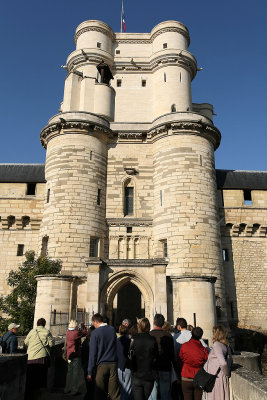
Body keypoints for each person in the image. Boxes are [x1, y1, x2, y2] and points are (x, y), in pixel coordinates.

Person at [87, 313, 120, 400]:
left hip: (102, 365)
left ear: (95, 321)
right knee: (114, 393)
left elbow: (93, 353)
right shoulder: (112, 329)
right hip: (113, 364)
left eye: (93, 323)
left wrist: (90, 371)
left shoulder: (95, 333)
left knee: (99, 392)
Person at [24, 318, 54, 399]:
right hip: (41, 358)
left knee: (30, 379)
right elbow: (51, 344)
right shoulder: (46, 332)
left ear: (37, 324)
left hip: (30, 357)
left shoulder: (32, 331)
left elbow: (26, 342)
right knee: (39, 380)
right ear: (44, 324)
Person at [129, 317, 158, 400]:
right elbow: (155, 357)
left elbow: (130, 356)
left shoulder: (134, 339)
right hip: (148, 374)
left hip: (136, 374)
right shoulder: (152, 340)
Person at [149, 314, 175, 400]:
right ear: (163, 323)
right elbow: (172, 354)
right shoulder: (168, 336)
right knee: (165, 393)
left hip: (153, 367)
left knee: (153, 393)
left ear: (153, 322)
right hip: (165, 367)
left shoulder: (150, 335)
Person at [179, 327, 208, 400]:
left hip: (186, 376)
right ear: (201, 336)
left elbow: (180, 358)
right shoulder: (203, 349)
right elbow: (206, 360)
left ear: (191, 334)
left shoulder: (185, 346)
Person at [204, 325, 232, 400]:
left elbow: (223, 363)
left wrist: (227, 373)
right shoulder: (226, 345)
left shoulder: (217, 345)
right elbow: (230, 360)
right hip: (219, 376)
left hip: (216, 377)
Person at [64, 320, 87, 396]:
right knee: (75, 373)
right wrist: (83, 326)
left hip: (69, 354)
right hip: (75, 355)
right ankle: (74, 390)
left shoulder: (68, 332)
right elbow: (84, 333)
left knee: (69, 373)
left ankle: (67, 388)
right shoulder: (75, 333)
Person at [117, 324, 133, 400]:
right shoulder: (129, 341)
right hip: (127, 366)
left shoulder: (116, 341)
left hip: (119, 366)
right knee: (128, 387)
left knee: (122, 388)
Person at [81, 325, 95, 400]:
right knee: (93, 385)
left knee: (88, 385)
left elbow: (82, 354)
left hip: (86, 365)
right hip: (93, 366)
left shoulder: (85, 342)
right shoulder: (95, 342)